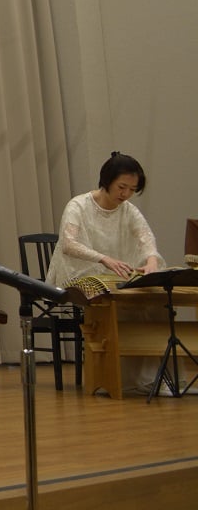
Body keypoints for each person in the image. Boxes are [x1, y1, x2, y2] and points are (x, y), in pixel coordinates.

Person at [45, 151, 165, 394]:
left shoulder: (128, 211)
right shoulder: (78, 205)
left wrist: (151, 260)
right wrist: (104, 258)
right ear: (107, 180)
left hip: (112, 275)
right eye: (122, 187)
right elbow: (69, 243)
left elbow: (145, 238)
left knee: (153, 303)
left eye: (132, 190)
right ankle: (111, 375)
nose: (126, 194)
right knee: (113, 301)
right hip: (78, 274)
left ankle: (148, 377)